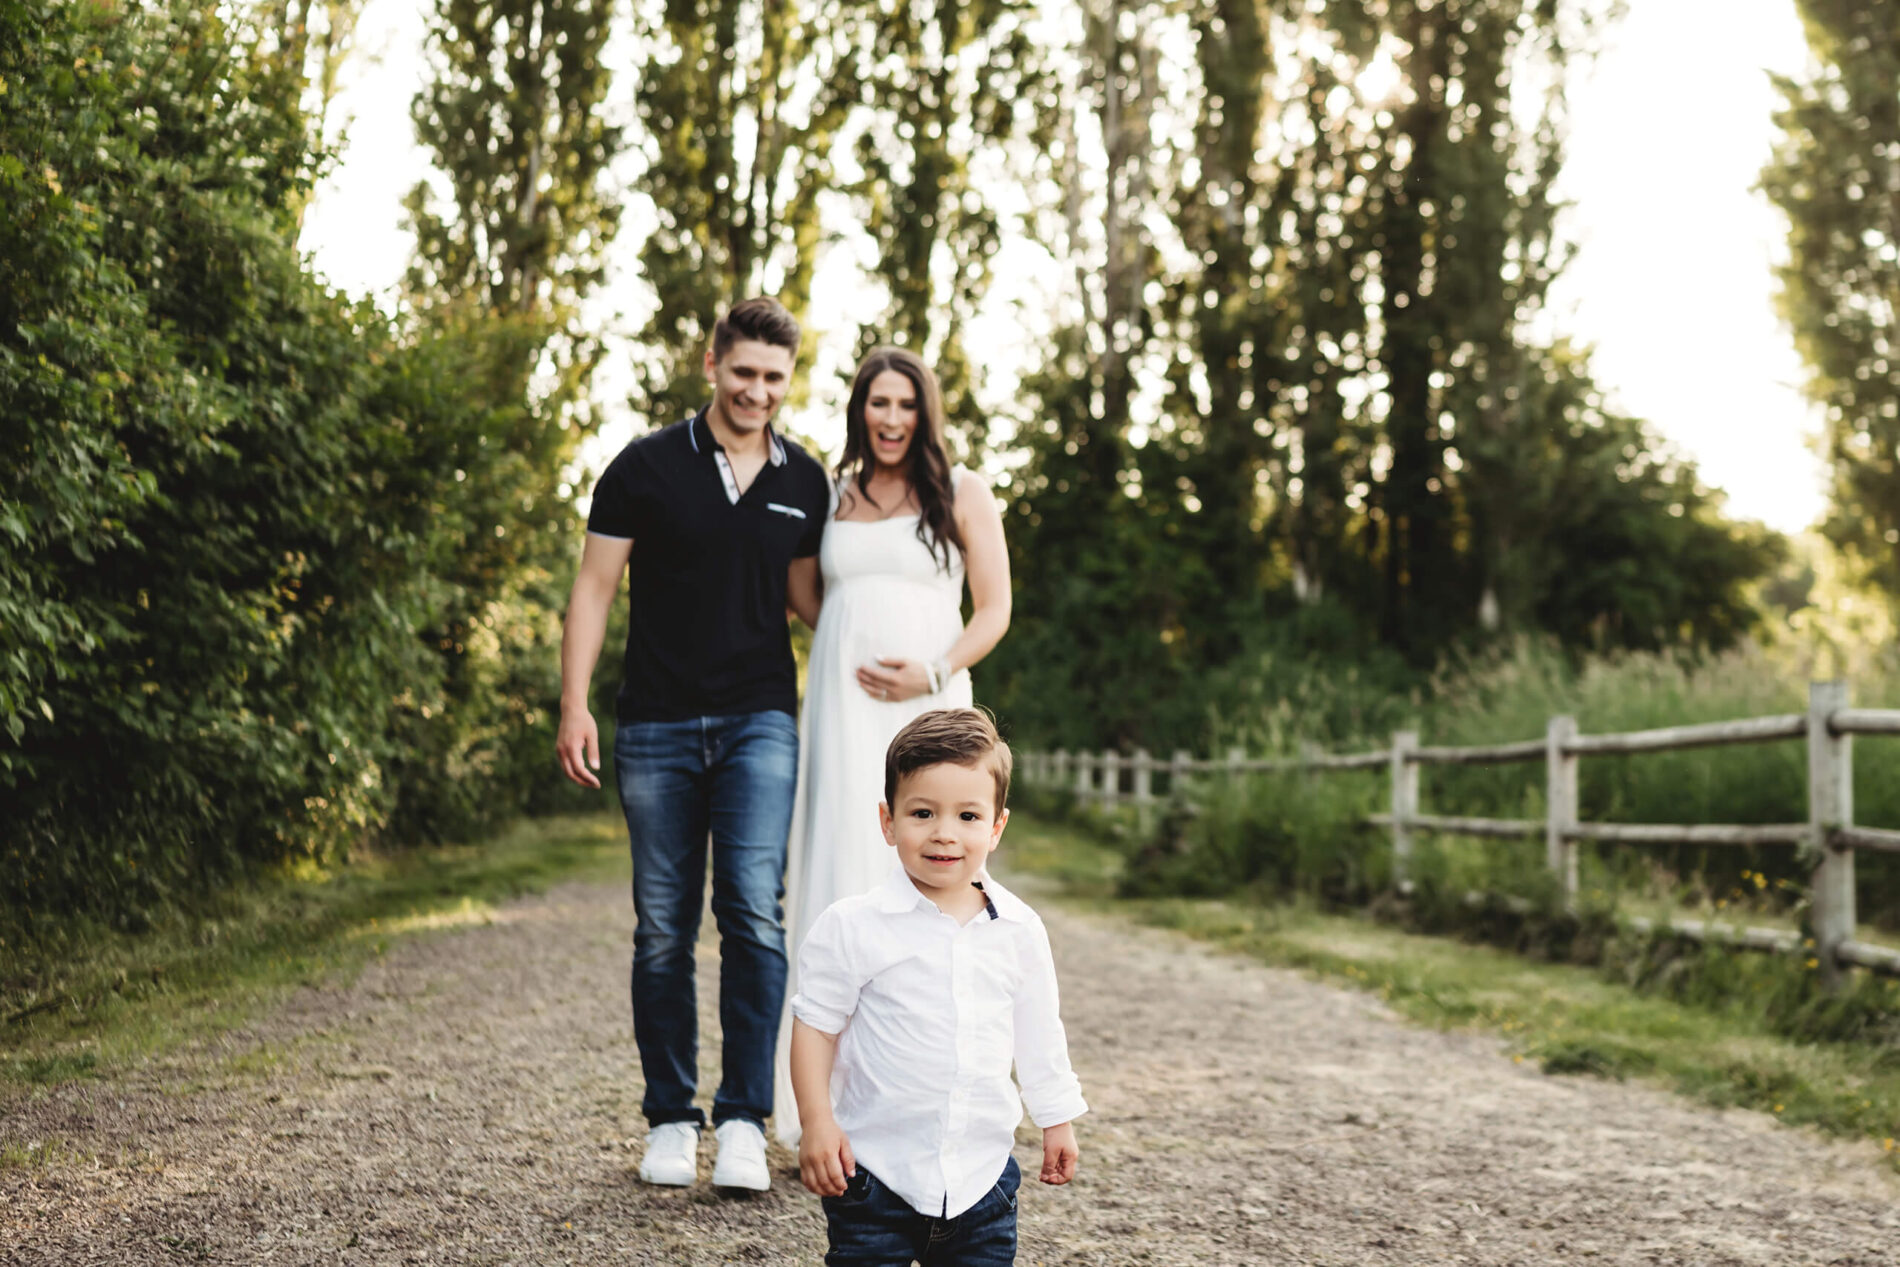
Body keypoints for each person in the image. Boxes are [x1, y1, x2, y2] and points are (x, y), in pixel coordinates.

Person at [556, 296, 830, 1193]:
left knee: (753, 911)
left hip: (761, 717)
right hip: (657, 720)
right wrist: (575, 702)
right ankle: (671, 1116)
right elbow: (594, 588)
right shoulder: (643, 467)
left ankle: (746, 1119)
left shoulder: (805, 479)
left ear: (790, 382)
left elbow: (809, 601)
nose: (757, 391)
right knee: (664, 927)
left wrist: (905, 655)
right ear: (711, 363)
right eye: (744, 371)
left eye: (774, 378)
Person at [775, 347, 1013, 1145]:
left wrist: (933, 667)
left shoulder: (963, 493)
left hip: (930, 704)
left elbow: (995, 610)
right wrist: (852, 637)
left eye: (905, 404)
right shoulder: (832, 495)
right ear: (859, 410)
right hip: (843, 709)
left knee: (934, 868)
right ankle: (821, 1107)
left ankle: (932, 1095)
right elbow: (805, 592)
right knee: (843, 863)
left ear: (925, 412)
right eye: (877, 403)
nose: (890, 418)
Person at [789, 708, 1085, 1266]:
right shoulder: (853, 926)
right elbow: (816, 1027)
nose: (945, 833)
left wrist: (1057, 1119)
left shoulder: (1019, 930)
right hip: (874, 1177)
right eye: (922, 812)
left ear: (996, 827)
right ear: (888, 820)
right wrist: (817, 1123)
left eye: (968, 816)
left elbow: (1040, 1034)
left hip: (982, 1184)